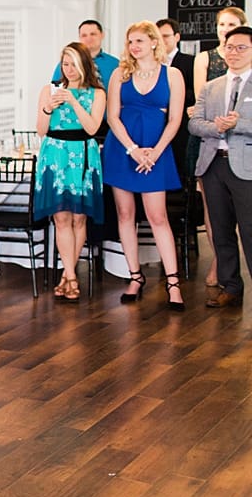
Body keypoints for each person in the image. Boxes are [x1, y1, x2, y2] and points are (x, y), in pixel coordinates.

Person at [101, 21, 186, 310]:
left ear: (153, 42)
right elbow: (112, 117)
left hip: (157, 151)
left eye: (139, 41)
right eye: (130, 42)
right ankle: (135, 276)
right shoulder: (119, 74)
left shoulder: (172, 75)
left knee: (158, 216)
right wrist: (134, 150)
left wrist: (155, 152)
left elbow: (175, 119)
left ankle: (173, 283)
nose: (133, 47)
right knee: (125, 215)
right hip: (123, 149)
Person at [34, 43, 106, 302]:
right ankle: (71, 276)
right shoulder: (49, 90)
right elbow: (41, 130)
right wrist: (48, 109)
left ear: (84, 64)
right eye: (65, 64)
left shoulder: (97, 93)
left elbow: (91, 128)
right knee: (61, 218)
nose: (69, 69)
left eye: (74, 63)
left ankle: (67, 274)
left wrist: (74, 101)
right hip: (55, 154)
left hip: (83, 154)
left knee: (79, 219)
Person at [189, 25, 252, 309]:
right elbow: (194, 123)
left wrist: (238, 125)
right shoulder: (211, 87)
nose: (234, 52)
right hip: (214, 165)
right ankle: (231, 286)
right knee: (221, 229)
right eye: (229, 47)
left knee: (249, 230)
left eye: (241, 47)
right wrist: (216, 127)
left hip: (246, 167)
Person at [157, 18, 196, 186]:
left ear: (177, 37)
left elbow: (196, 92)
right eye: (158, 36)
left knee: (180, 167)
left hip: (181, 125)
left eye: (166, 36)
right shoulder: (150, 64)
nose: (162, 41)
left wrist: (173, 93)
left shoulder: (190, 61)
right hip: (156, 124)